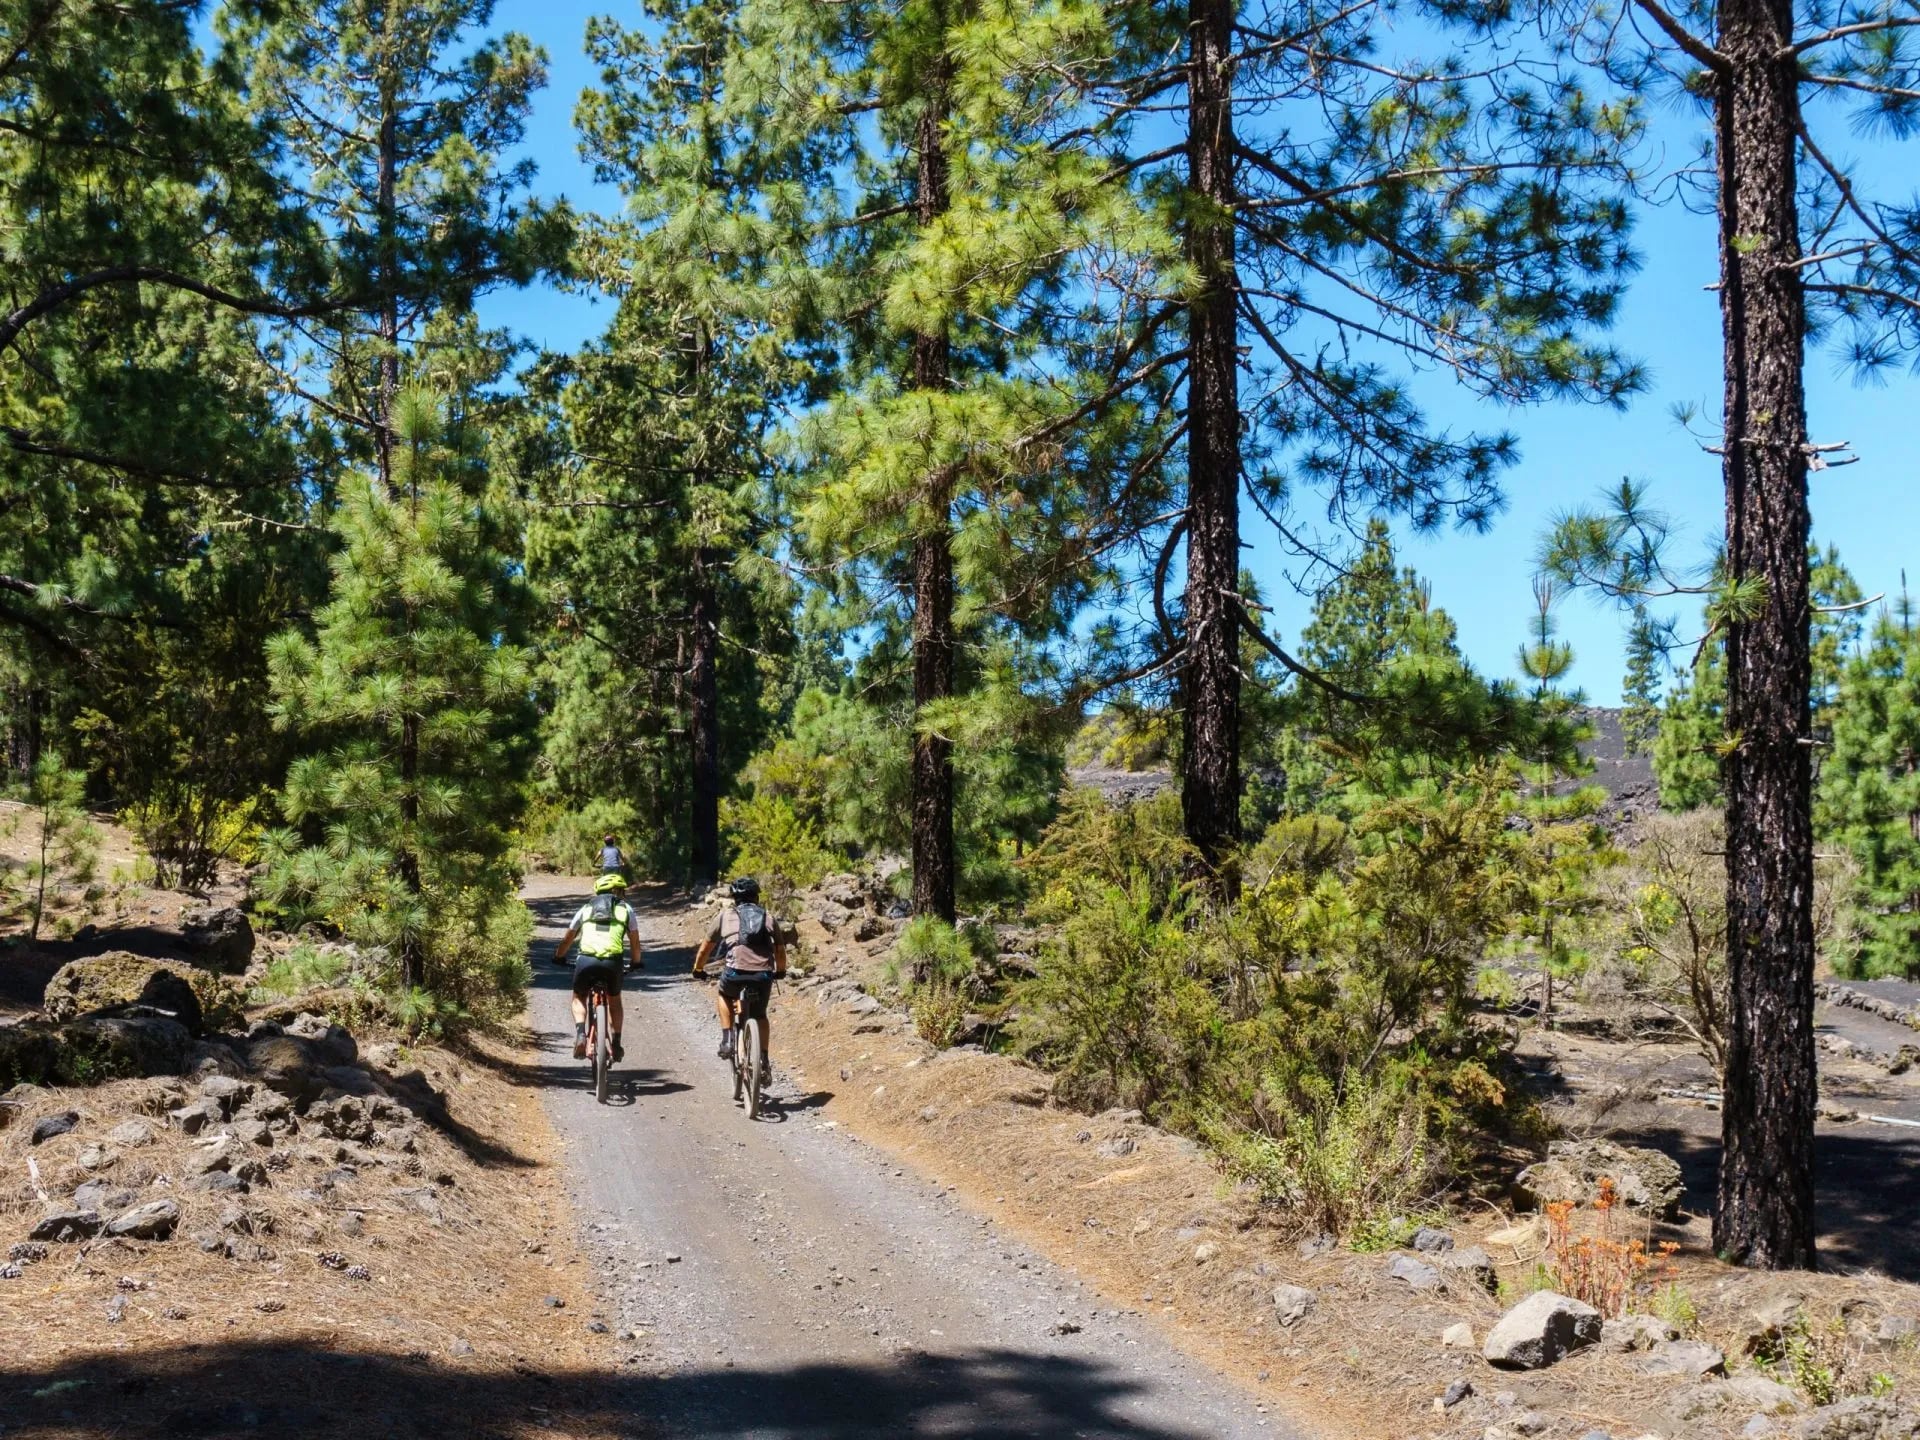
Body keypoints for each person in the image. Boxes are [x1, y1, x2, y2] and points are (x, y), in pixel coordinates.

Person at [693, 875, 785, 1083]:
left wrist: (698, 969)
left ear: (734, 898)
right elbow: (780, 949)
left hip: (734, 972)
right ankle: (763, 1059)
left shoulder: (725, 916)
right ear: (756, 898)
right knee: (760, 1015)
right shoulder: (768, 917)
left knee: (724, 994)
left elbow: (705, 948)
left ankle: (727, 1039)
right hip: (763, 975)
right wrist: (780, 971)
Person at [553, 873, 644, 1061]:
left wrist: (559, 957)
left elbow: (567, 939)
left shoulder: (585, 909)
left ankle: (580, 1034)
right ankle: (617, 1043)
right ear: (617, 892)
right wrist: (636, 962)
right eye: (622, 891)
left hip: (586, 961)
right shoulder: (627, 910)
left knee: (578, 996)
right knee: (615, 1000)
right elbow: (635, 943)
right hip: (613, 962)